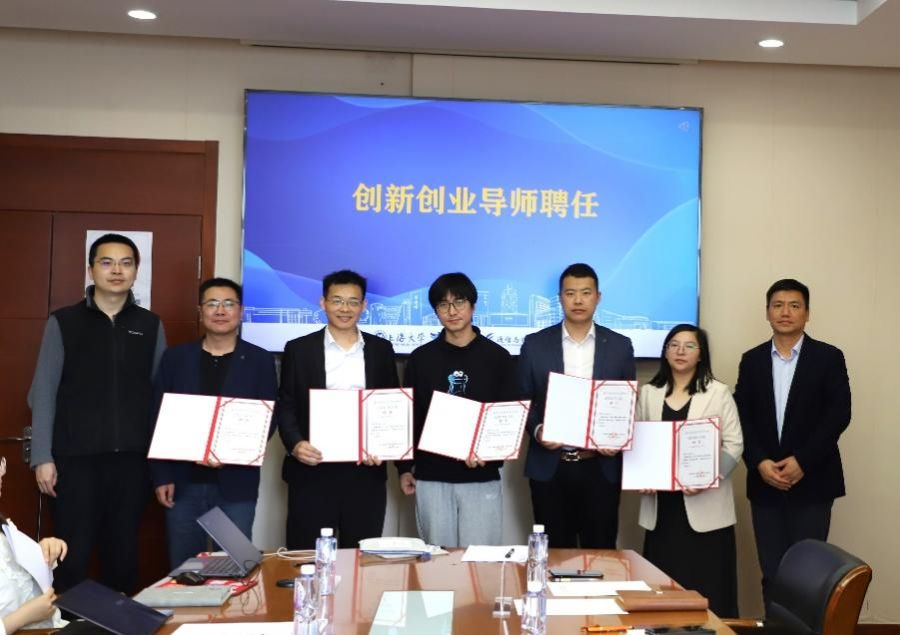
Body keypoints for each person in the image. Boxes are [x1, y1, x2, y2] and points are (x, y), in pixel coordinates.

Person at [27, 233, 166, 594]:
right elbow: (43, 392)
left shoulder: (150, 325)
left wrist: (162, 465)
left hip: (132, 462)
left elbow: (161, 398)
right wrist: (42, 457)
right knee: (72, 555)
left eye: (126, 263)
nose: (116, 270)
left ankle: (120, 620)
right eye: (107, 262)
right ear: (91, 270)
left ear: (136, 271)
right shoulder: (63, 322)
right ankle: (68, 621)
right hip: (74, 461)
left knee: (123, 553)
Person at [734, 278, 851, 608]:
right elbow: (742, 416)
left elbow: (838, 414)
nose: (785, 312)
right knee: (772, 572)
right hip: (765, 481)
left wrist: (803, 461)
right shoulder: (752, 360)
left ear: (807, 313)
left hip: (813, 482)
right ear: (767, 312)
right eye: (778, 305)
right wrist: (759, 462)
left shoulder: (829, 357)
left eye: (794, 306)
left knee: (810, 574)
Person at [150, 278, 277, 569]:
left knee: (236, 565)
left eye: (229, 304)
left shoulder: (259, 360)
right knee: (186, 568)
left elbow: (268, 417)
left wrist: (231, 452)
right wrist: (161, 475)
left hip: (236, 483)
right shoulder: (176, 358)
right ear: (200, 311)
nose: (220, 311)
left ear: (240, 311)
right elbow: (158, 417)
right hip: (182, 483)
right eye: (212, 303)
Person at [276, 270, 399, 549]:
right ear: (323, 302)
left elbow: (391, 403)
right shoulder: (298, 349)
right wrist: (295, 444)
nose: (345, 309)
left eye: (353, 302)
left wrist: (385, 446)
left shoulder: (381, 350)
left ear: (364, 305)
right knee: (308, 554)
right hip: (312, 470)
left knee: (361, 555)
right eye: (337, 300)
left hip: (365, 472)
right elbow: (286, 404)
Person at [519, 263, 636, 548]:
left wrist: (616, 437)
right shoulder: (534, 344)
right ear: (560, 298)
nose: (578, 300)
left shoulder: (620, 346)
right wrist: (538, 430)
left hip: (600, 466)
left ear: (598, 297)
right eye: (570, 293)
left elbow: (627, 403)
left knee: (601, 551)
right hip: (550, 466)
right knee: (554, 553)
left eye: (586, 293)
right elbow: (522, 400)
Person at [397, 273, 517, 547]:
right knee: (437, 560)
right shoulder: (421, 358)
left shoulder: (498, 358)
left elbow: (508, 417)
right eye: (443, 304)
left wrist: (489, 453)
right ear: (435, 311)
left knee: (480, 561)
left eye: (459, 302)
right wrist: (404, 468)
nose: (452, 311)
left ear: (473, 306)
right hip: (431, 476)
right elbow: (409, 418)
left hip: (480, 476)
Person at [636, 324, 743, 616]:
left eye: (689, 346)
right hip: (662, 508)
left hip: (706, 507)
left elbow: (734, 444)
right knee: (663, 589)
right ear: (665, 352)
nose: (680, 351)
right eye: (674, 345)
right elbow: (640, 442)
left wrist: (710, 478)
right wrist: (643, 475)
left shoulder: (718, 392)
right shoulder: (649, 393)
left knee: (709, 588)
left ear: (701, 354)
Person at [0, 456, 68, 634]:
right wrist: (24, 616)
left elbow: (24, 582)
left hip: (52, 626)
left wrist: (45, 552)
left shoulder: (5, 527)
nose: (2, 473)